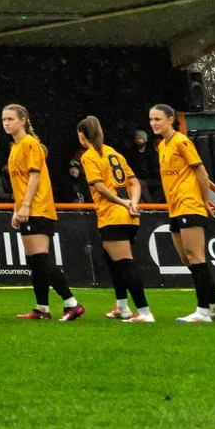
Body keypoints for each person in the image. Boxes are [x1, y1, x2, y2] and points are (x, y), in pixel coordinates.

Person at [151, 102, 215, 323]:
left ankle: (202, 311)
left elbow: (201, 173)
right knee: (187, 259)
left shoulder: (181, 142)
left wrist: (205, 201)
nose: (153, 123)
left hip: (189, 204)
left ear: (170, 120)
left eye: (158, 119)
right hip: (175, 206)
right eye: (151, 120)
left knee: (196, 257)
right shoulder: (163, 146)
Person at [3, 103, 83, 322]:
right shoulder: (15, 147)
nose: (6, 123)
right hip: (28, 208)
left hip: (38, 208)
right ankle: (42, 309)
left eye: (11, 119)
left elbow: (34, 177)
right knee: (35, 262)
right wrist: (16, 208)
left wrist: (26, 205)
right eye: (4, 120)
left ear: (24, 120)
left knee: (40, 259)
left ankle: (72, 303)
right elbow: (19, 183)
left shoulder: (30, 144)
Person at [76, 115, 150, 322]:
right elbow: (135, 182)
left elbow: (99, 187)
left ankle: (144, 312)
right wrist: (132, 202)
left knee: (125, 264)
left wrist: (122, 202)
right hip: (127, 215)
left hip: (112, 214)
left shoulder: (89, 156)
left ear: (82, 135)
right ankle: (122, 306)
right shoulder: (113, 153)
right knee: (111, 260)